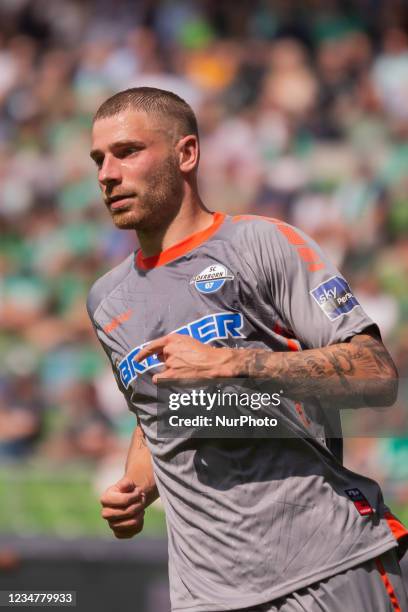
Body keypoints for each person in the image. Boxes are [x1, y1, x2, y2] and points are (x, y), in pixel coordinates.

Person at [87, 87, 408, 612]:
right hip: (204, 595)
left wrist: (239, 363)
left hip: (327, 568)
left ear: (185, 153)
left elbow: (377, 373)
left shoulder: (263, 244)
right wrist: (137, 487)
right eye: (100, 159)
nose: (107, 174)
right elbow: (157, 416)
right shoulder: (106, 300)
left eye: (127, 152)